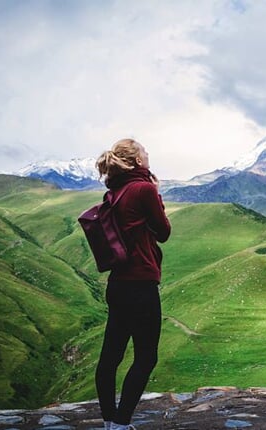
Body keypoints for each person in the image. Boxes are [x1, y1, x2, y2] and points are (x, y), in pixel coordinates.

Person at [94, 138, 171, 430]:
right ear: (137, 161)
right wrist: (157, 194)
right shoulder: (144, 189)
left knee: (111, 356)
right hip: (141, 285)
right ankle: (121, 423)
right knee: (146, 357)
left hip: (118, 284)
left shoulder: (114, 192)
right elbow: (163, 232)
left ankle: (108, 419)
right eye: (145, 151)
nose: (149, 154)